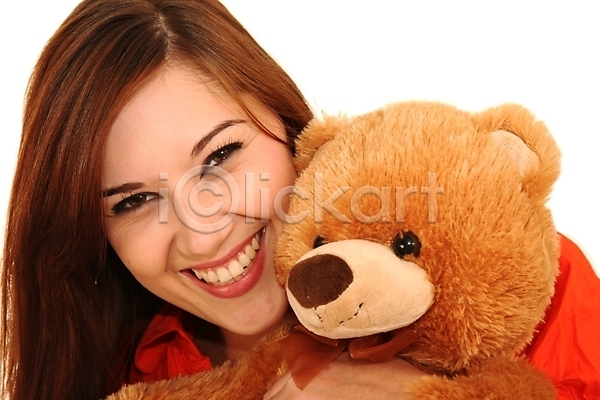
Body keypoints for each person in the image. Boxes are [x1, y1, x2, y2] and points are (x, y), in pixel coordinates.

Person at [1, 1, 598, 400]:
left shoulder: (520, 276)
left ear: (288, 125)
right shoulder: (118, 372)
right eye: (133, 201)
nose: (204, 232)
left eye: (220, 155)